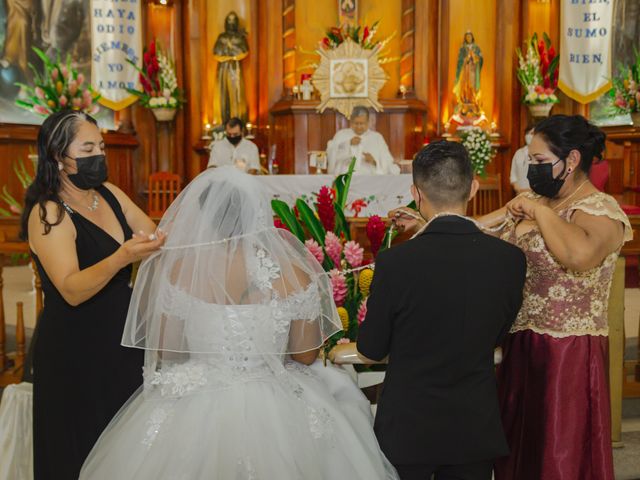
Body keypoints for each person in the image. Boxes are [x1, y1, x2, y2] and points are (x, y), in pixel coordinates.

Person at [80, 166, 400, 479]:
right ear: (258, 212)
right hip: (275, 398)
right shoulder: (294, 272)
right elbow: (305, 356)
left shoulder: (177, 272)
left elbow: (169, 353)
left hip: (197, 400)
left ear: (204, 216)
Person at [357, 141, 527, 480]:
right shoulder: (510, 260)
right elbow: (497, 335)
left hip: (408, 428)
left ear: (416, 193)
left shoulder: (395, 262)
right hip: (474, 426)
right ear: (474, 188)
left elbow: (371, 348)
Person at [482, 115, 631, 480]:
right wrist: (430, 221)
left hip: (568, 353)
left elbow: (577, 255)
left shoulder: (601, 210)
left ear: (573, 160)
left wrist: (538, 212)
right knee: (518, 451)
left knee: (557, 455)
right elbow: (479, 227)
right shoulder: (535, 198)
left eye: (538, 161)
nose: (532, 170)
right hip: (522, 342)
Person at [23, 110, 166, 479]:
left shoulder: (109, 194)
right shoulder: (49, 213)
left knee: (127, 443)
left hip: (122, 338)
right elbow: (70, 289)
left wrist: (156, 242)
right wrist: (121, 257)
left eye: (100, 146)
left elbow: (148, 232)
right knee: (81, 447)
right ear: (59, 156)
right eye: (87, 148)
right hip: (75, 348)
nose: (98, 155)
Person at [326, 105, 400, 175]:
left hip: (369, 178)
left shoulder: (377, 138)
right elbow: (331, 153)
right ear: (351, 122)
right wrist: (348, 144)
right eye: (356, 123)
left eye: (362, 123)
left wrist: (374, 161)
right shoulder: (341, 135)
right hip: (346, 177)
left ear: (368, 122)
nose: (359, 127)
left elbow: (388, 160)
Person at [213, 11, 248, 124]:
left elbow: (244, 51)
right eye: (229, 20)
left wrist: (232, 53)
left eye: (233, 20)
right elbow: (216, 52)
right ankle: (222, 121)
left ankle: (237, 120)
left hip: (235, 68)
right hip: (223, 68)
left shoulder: (240, 37)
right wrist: (226, 56)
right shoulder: (222, 37)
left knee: (236, 93)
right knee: (222, 94)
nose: (231, 23)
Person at [509, 124, 534, 194]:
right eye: (527, 133)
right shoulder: (519, 153)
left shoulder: (541, 154)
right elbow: (513, 175)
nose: (529, 136)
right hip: (520, 193)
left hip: (535, 195)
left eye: (532, 133)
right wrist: (518, 189)